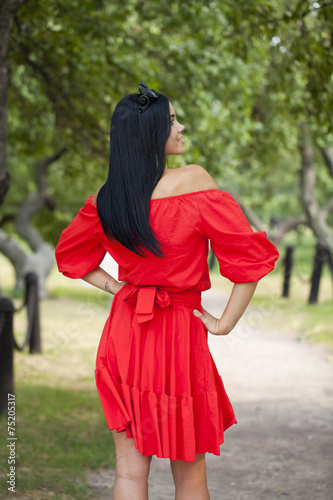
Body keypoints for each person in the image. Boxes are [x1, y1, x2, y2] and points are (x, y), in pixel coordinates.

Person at [55, 83, 279, 500]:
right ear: (150, 133)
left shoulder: (107, 197)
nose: (181, 127)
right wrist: (224, 323)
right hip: (178, 335)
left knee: (128, 473)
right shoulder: (194, 182)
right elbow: (249, 257)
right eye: (171, 120)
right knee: (189, 476)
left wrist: (117, 287)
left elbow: (71, 255)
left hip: (125, 334)